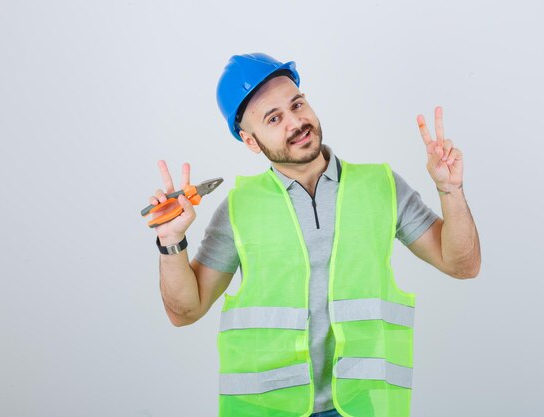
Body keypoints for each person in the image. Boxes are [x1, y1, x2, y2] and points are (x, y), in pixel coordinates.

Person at [148, 53, 481, 417]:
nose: (296, 122)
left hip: (360, 407)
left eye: (297, 104)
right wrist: (171, 241)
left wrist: (451, 190)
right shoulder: (239, 207)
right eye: (274, 118)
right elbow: (185, 311)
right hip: (266, 410)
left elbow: (462, 264)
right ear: (251, 141)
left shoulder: (380, 186)